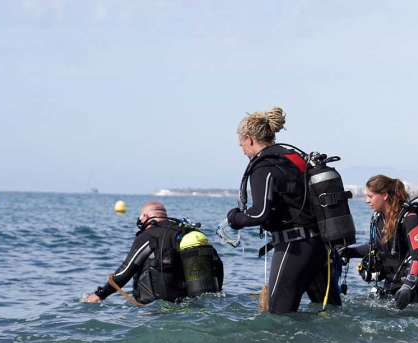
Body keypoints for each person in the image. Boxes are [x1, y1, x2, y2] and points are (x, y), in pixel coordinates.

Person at [225, 107, 341, 314]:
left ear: (249, 139)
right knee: (330, 312)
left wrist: (234, 218)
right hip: (319, 245)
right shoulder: (293, 157)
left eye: (240, 143)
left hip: (294, 247)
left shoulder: (263, 166)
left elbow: (260, 214)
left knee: (279, 315)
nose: (241, 149)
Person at [340, 175, 418, 309]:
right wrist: (349, 252)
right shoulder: (378, 219)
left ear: (384, 195)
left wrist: (408, 286)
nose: (367, 201)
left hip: (414, 287)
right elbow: (375, 247)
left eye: (370, 196)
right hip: (391, 284)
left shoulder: (410, 219)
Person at [84, 201, 223, 305]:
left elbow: (125, 271)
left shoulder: (149, 236)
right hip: (191, 305)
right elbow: (218, 264)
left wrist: (100, 294)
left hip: (157, 311)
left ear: (145, 217)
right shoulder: (188, 232)